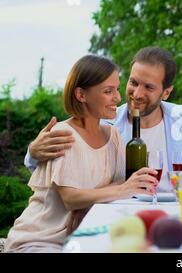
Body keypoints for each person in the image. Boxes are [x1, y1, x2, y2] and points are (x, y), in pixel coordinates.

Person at [6, 55, 158, 252]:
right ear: (81, 95)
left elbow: (121, 181)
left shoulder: (113, 135)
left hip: (82, 238)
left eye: (117, 89)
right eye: (108, 91)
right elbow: (71, 198)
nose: (118, 98)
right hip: (41, 240)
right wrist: (121, 189)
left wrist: (105, 193)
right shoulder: (64, 134)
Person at [25, 47, 182, 192]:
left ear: (166, 92)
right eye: (133, 83)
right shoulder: (104, 123)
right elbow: (56, 169)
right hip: (121, 213)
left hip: (176, 208)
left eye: (148, 87)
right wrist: (33, 153)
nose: (137, 94)